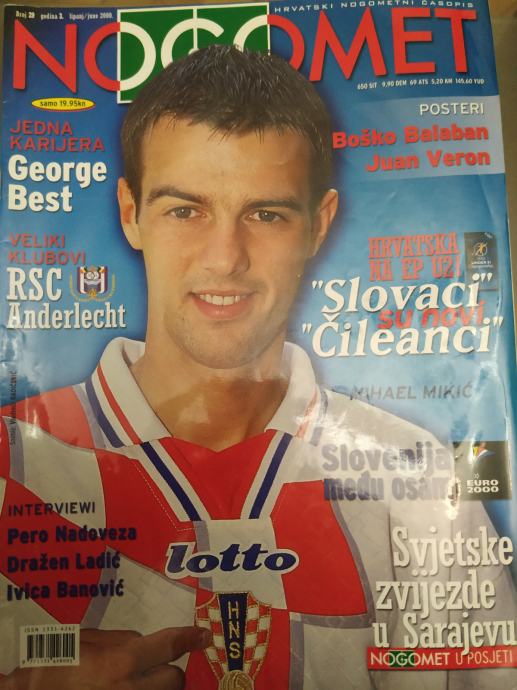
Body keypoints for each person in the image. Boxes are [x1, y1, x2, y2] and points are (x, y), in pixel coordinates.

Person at [0, 45, 515, 690]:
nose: (225, 258)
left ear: (319, 225)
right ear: (131, 214)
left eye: (266, 214)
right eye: (185, 210)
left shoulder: (419, 473)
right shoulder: (11, 462)